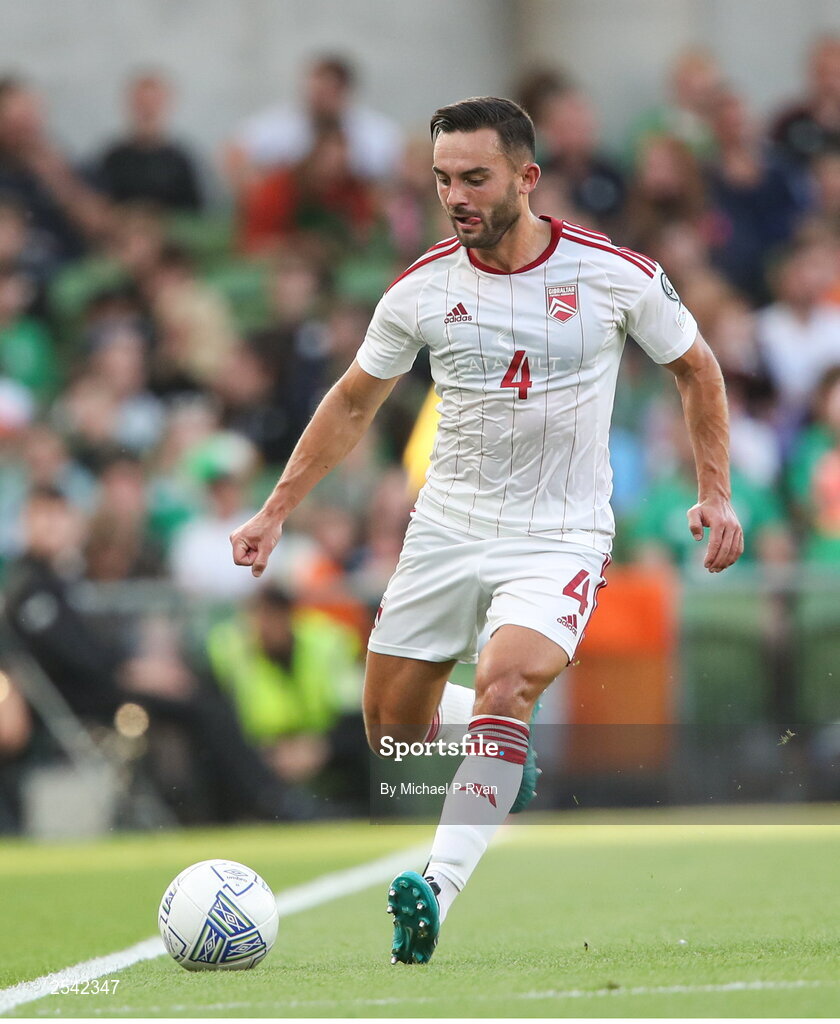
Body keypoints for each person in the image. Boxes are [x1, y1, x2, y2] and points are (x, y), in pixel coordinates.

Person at [229, 97, 743, 964]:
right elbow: (356, 400)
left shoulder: (612, 274)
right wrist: (277, 508)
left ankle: (434, 887)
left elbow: (697, 368)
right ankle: (499, 751)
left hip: (560, 533)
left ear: (525, 178)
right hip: (447, 528)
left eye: (474, 178)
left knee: (508, 686)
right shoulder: (421, 289)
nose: (456, 196)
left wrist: (717, 493)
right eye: (442, 180)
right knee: (394, 730)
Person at [94, 71, 203, 212]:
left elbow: (196, 215)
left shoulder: (183, 162)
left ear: (166, 105)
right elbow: (98, 209)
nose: (147, 110)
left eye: (153, 103)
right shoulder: (112, 159)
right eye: (142, 104)